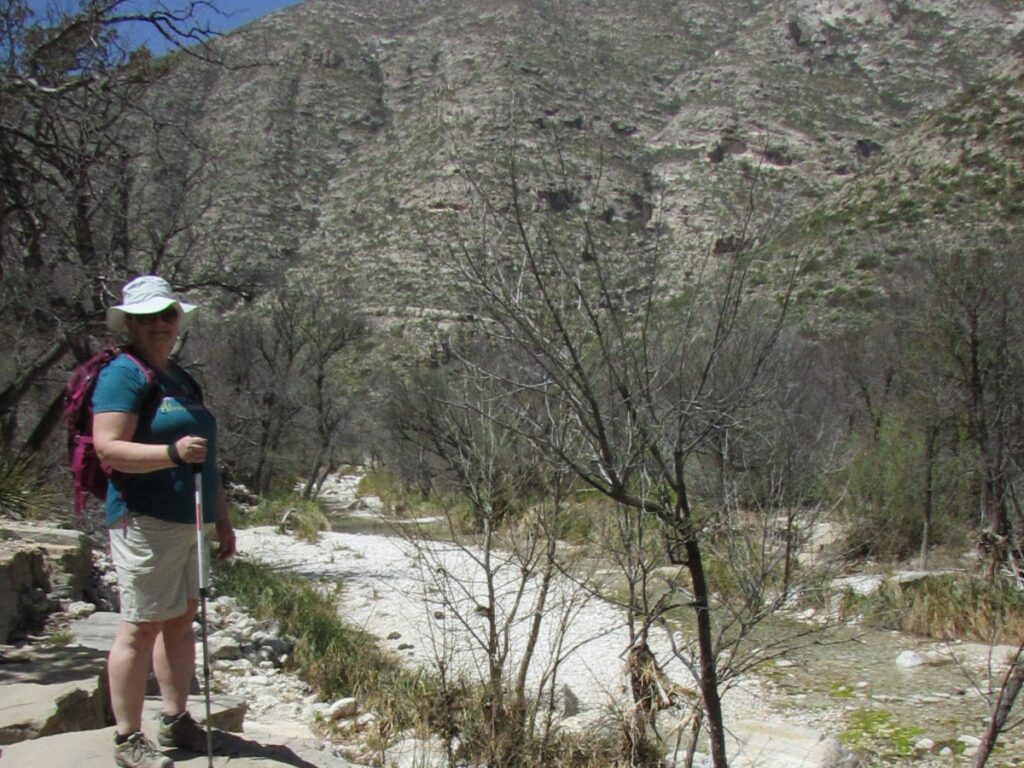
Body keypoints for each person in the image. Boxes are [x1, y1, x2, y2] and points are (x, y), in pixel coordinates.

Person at [92, 275, 236, 768]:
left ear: (178, 320)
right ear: (130, 322)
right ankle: (128, 737)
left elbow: (208, 460)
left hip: (188, 519)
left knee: (180, 621)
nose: (160, 324)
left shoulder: (179, 376)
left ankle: (176, 720)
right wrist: (170, 453)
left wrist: (222, 520)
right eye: (148, 317)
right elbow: (108, 447)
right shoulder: (122, 374)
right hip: (145, 519)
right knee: (140, 626)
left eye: (167, 315)